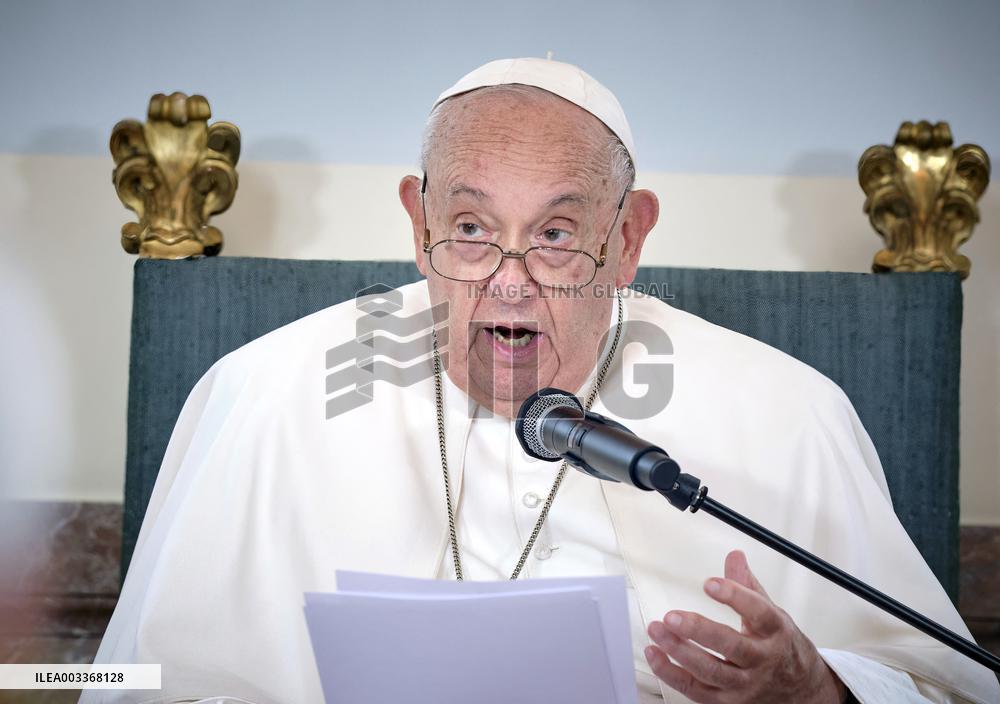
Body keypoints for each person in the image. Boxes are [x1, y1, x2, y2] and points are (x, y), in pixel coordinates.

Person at [85, 58, 1000, 703]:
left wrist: (818, 690)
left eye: (557, 235)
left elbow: (944, 685)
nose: (510, 280)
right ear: (418, 223)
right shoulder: (265, 394)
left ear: (627, 239)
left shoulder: (789, 412)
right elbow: (136, 686)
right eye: (472, 229)